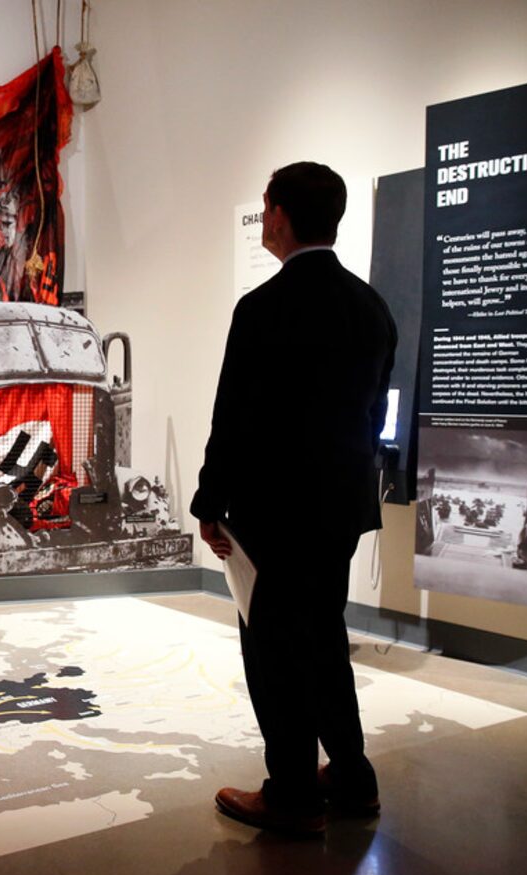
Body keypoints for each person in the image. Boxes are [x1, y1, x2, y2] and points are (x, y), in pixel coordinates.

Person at [190, 162, 396, 836]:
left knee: (274, 654)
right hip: (337, 510)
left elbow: (235, 419)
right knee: (322, 638)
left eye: (265, 206)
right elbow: (369, 416)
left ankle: (290, 795)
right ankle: (352, 777)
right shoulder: (370, 307)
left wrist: (208, 502)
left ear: (278, 216)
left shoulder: (262, 309)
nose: (263, 217)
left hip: (273, 515)